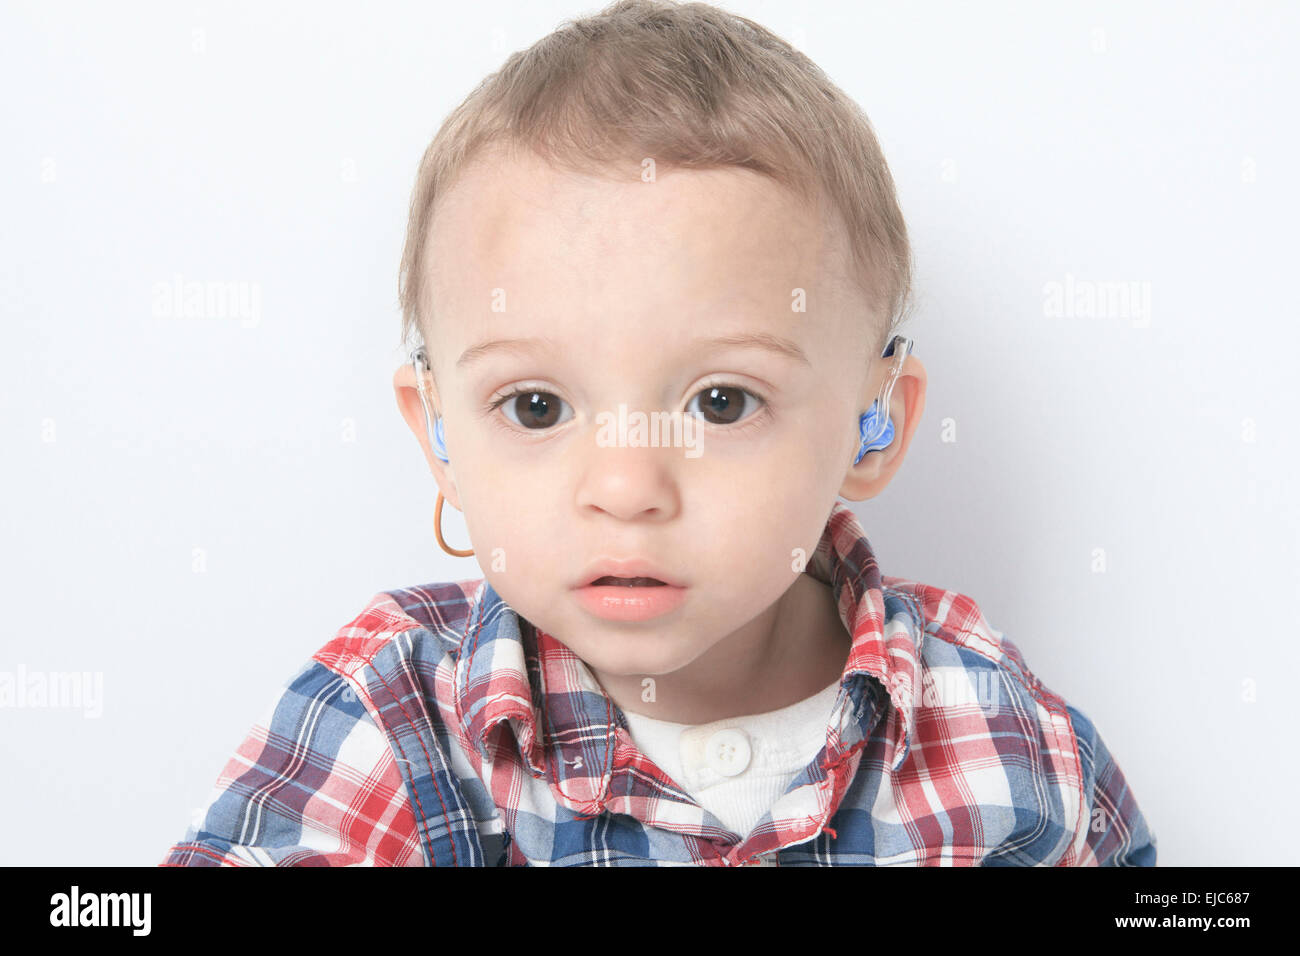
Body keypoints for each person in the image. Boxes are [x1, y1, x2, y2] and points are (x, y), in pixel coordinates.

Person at [160, 0, 1155, 866]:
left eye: (721, 402)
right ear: (442, 439)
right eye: (537, 406)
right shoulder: (396, 714)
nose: (627, 486)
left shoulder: (991, 730)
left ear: (874, 422)